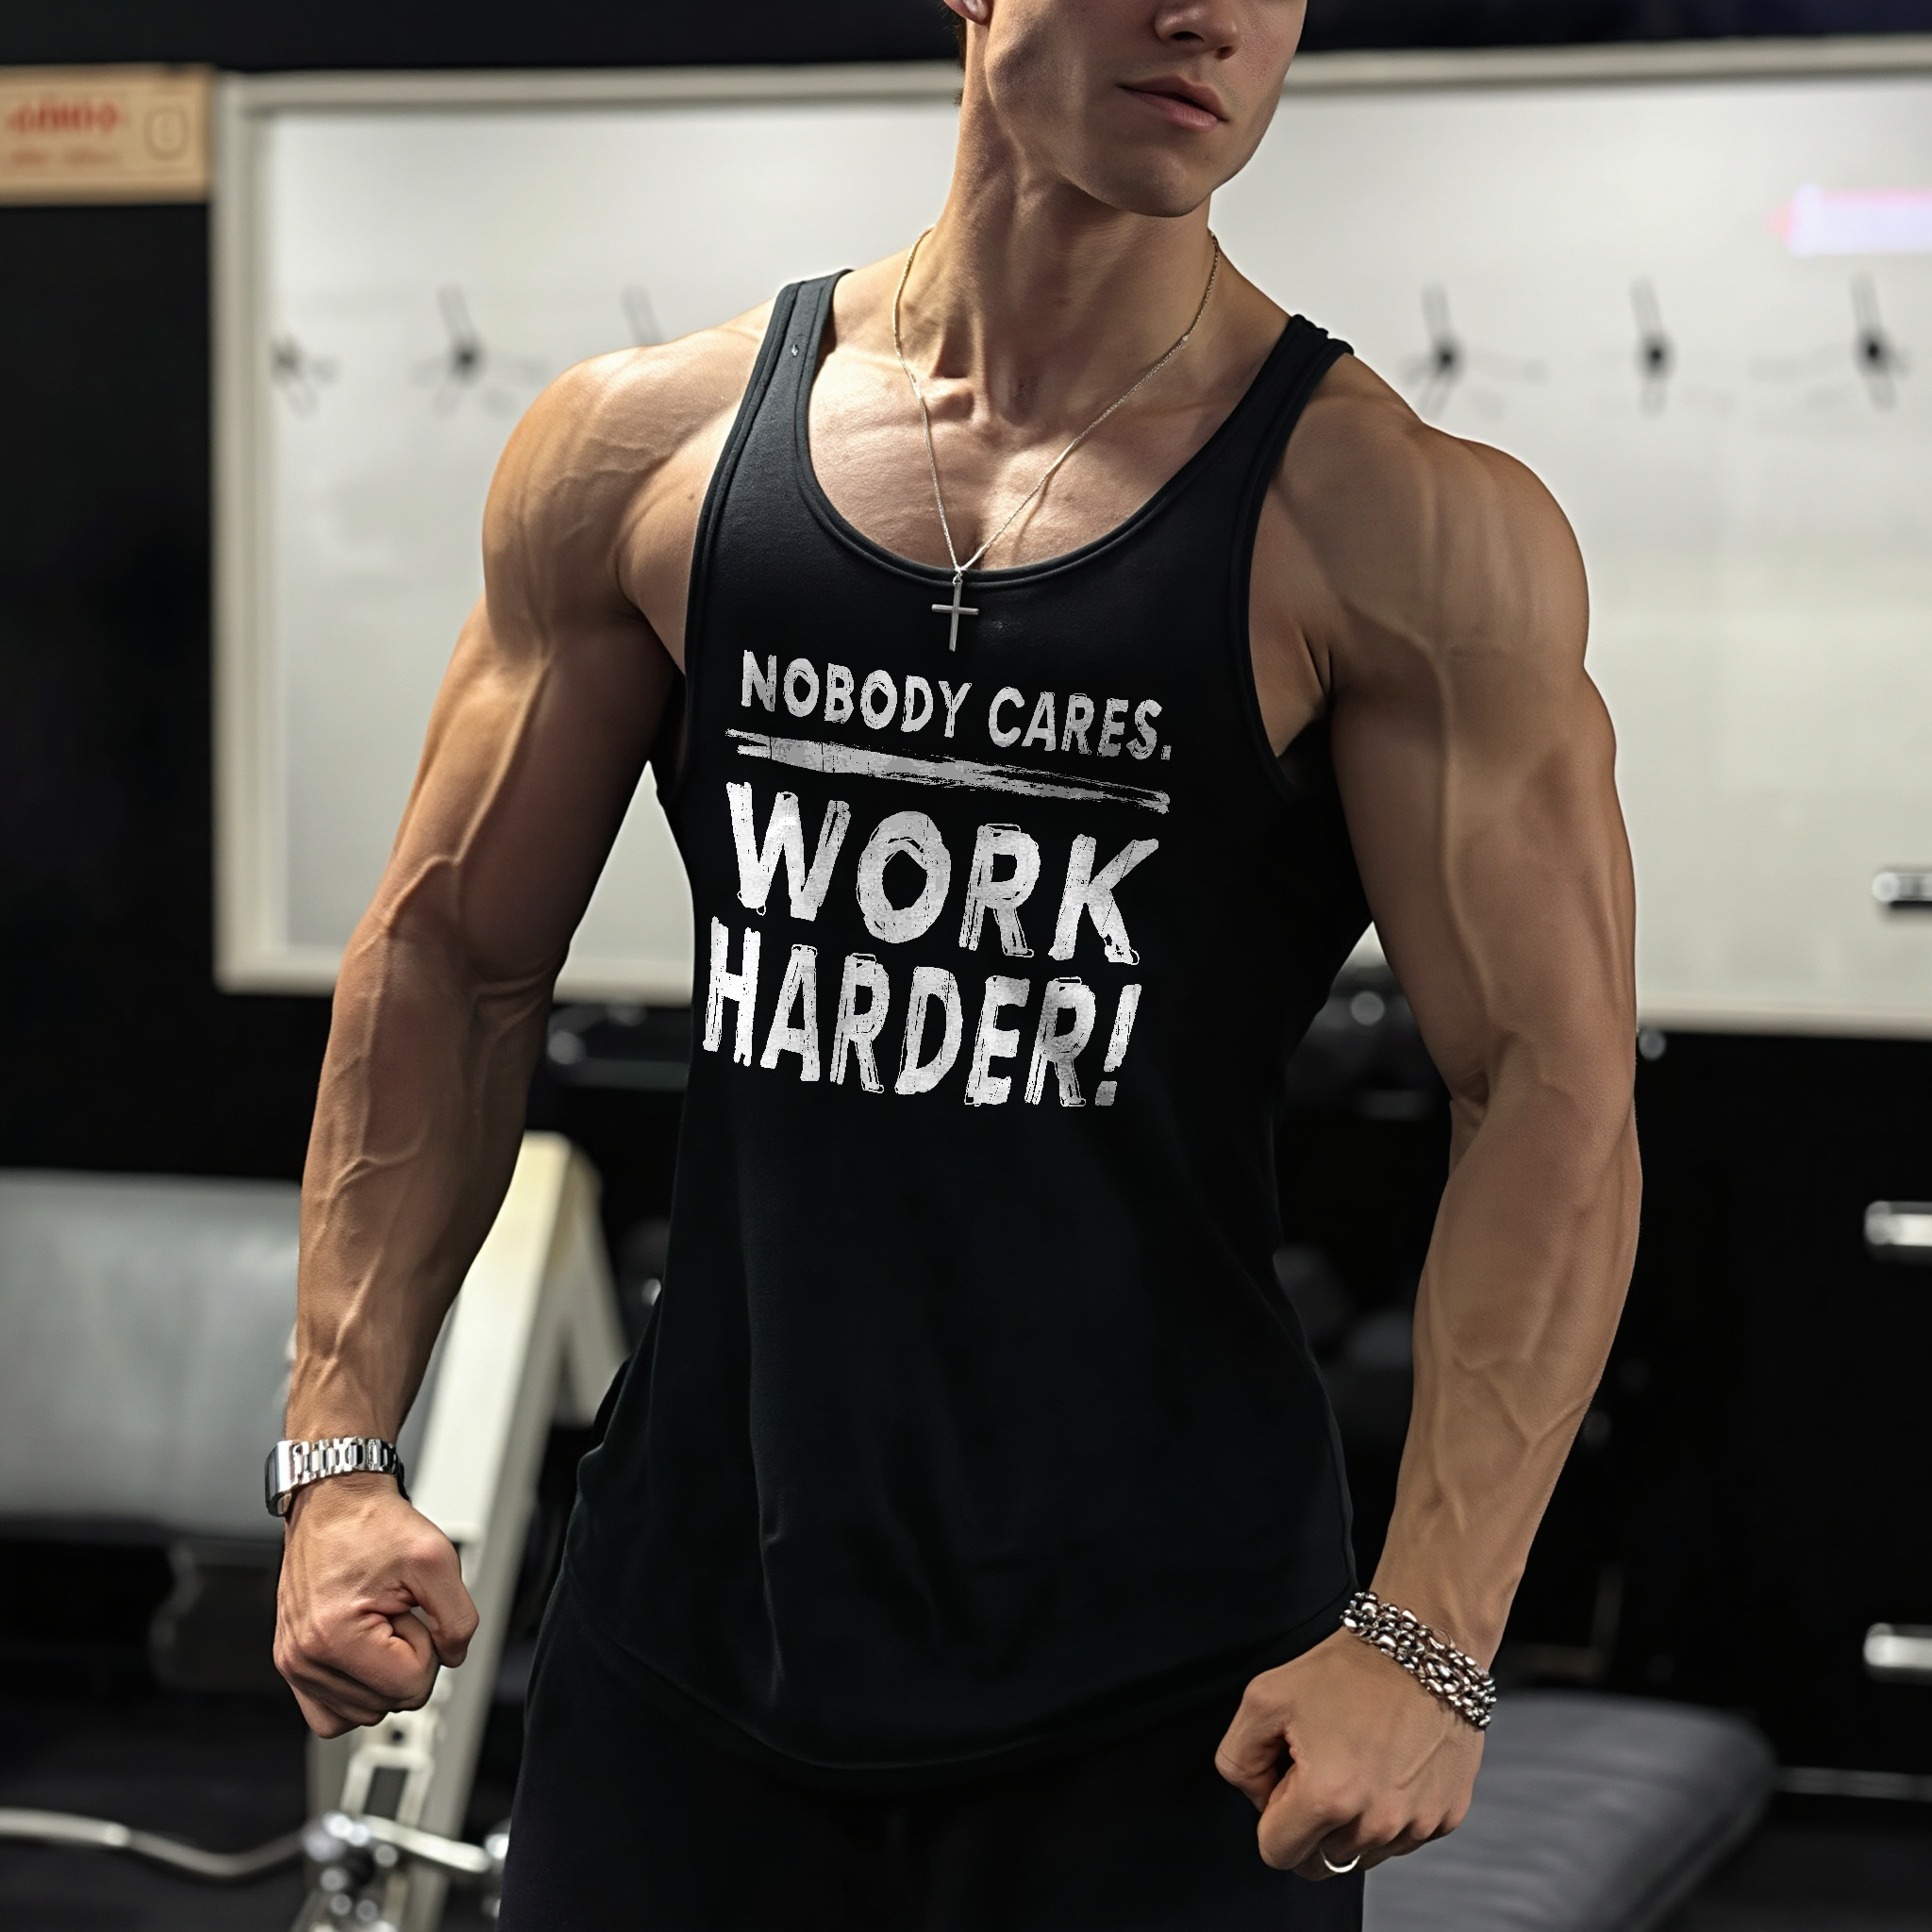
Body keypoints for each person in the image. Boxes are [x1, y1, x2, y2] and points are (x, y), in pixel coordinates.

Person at [271, 2, 1641, 1925]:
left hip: (1170, 1693)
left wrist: (1431, 1634)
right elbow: (449, 956)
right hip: (690, 1646)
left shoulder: (1396, 528)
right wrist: (337, 1453)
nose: (1210, 13)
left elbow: (1551, 1088)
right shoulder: (644, 453)